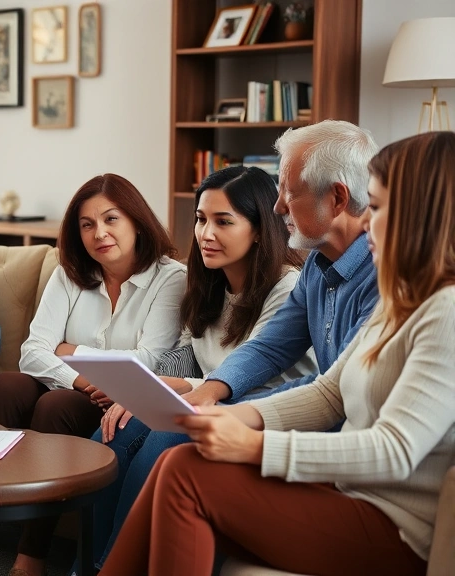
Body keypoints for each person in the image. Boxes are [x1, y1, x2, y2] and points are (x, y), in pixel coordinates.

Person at [103, 130, 455, 576]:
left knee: (186, 474)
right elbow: (328, 392)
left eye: (380, 207)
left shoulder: (446, 312)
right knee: (182, 460)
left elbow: (396, 450)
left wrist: (254, 445)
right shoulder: (400, 298)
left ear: (422, 216)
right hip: (350, 493)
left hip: (394, 527)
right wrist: (225, 410)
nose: (367, 221)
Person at [0, 173, 186, 576]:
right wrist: (85, 377)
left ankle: (31, 554)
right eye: (87, 225)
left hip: (117, 403)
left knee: (55, 406)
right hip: (76, 386)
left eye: (111, 219)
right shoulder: (70, 273)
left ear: (136, 220)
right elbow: (33, 352)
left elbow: (149, 360)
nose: (99, 233)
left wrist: (71, 351)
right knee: (7, 385)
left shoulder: (171, 278)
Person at [81, 165, 316, 572]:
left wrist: (176, 389)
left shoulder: (286, 287)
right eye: (201, 220)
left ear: (260, 228)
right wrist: (150, 387)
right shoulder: (208, 282)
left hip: (265, 409)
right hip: (206, 400)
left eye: (223, 222)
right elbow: (187, 351)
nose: (206, 234)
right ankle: (86, 565)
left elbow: (256, 376)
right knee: (110, 433)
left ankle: (112, 567)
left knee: (163, 437)